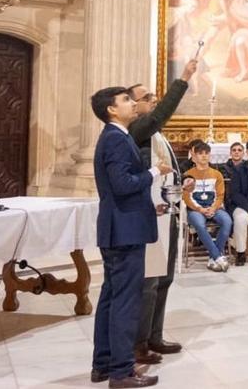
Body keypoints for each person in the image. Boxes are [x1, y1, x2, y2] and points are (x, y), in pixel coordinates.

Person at [89, 86, 171, 388]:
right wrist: (153, 172)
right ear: (112, 109)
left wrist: (152, 204)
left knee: (112, 299)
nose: (132, 103)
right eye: (125, 99)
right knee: (124, 302)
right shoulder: (115, 139)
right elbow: (123, 184)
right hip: (124, 231)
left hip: (122, 225)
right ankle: (121, 372)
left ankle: (104, 364)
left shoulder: (118, 137)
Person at [126, 60, 196, 365]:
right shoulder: (137, 128)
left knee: (164, 278)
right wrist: (183, 78)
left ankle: (155, 335)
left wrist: (182, 183)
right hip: (149, 213)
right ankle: (139, 343)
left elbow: (165, 170)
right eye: (148, 98)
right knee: (149, 281)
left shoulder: (156, 134)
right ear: (132, 105)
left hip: (168, 211)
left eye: (155, 97)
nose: (154, 101)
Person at [182, 141, 233, 272]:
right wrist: (200, 209)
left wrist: (213, 208)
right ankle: (218, 256)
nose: (204, 156)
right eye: (200, 153)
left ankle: (212, 258)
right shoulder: (188, 174)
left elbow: (220, 195)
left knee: (227, 221)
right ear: (194, 157)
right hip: (195, 208)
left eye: (206, 153)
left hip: (214, 207)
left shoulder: (217, 174)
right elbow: (186, 197)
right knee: (199, 224)